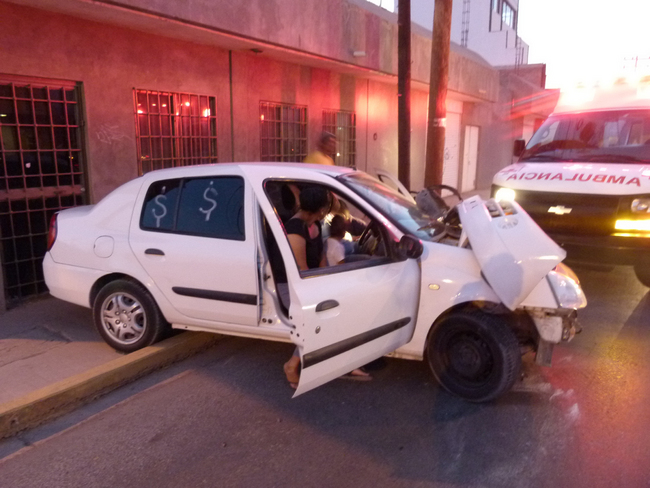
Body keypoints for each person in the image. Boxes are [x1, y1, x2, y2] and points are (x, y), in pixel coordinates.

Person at [282, 186, 371, 388]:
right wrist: (321, 290)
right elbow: (301, 269)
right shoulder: (295, 229)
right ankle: (292, 365)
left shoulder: (314, 223)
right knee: (323, 317)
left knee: (341, 310)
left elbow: (321, 257)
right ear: (322, 209)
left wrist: (328, 280)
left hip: (312, 280)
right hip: (292, 285)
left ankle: (342, 362)